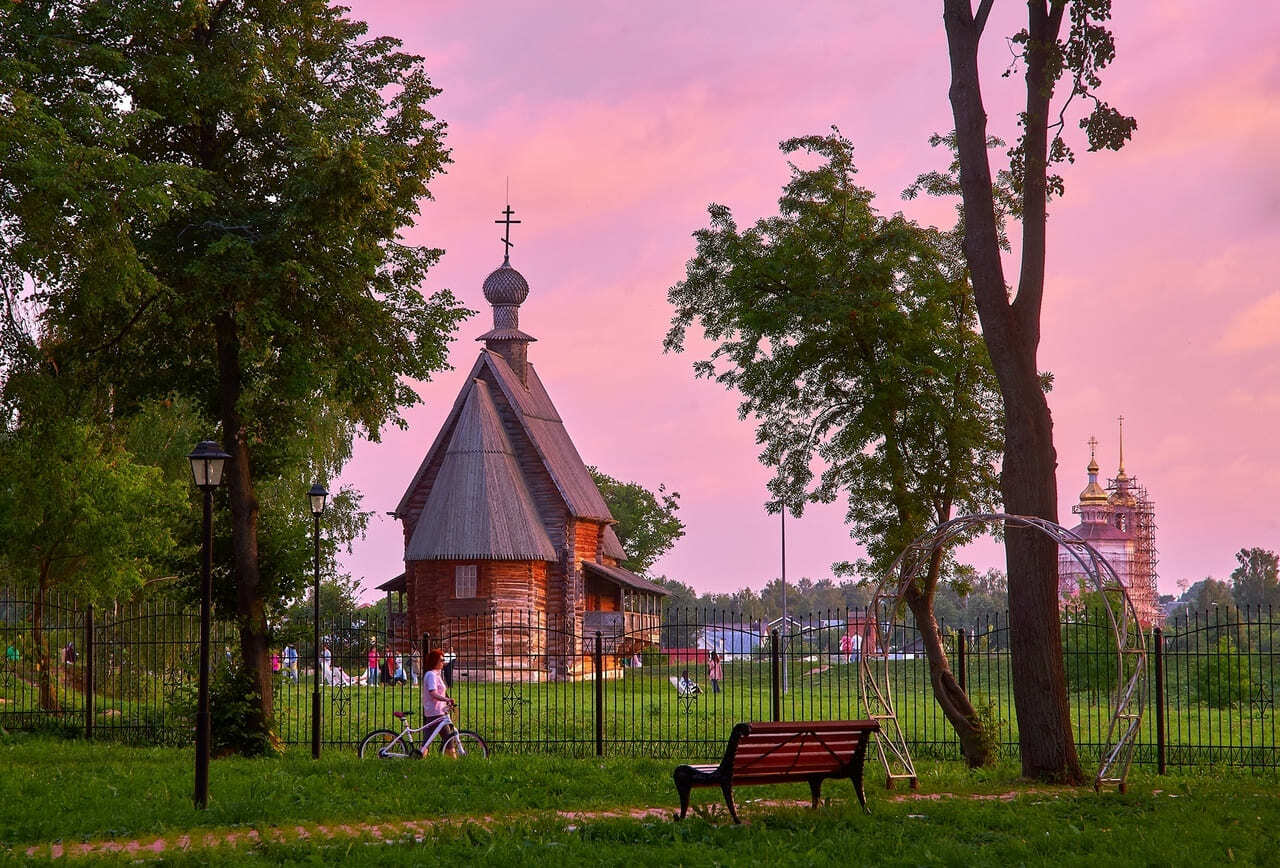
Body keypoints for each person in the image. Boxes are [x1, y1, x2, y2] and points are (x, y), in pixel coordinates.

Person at [419, 648, 457, 757]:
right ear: (434, 661)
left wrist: (447, 701)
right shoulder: (431, 675)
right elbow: (433, 693)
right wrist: (446, 700)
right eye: (441, 660)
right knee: (448, 739)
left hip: (438, 711)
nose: (443, 662)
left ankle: (418, 759)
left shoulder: (437, 674)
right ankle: (454, 762)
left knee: (428, 742)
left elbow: (442, 692)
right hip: (435, 712)